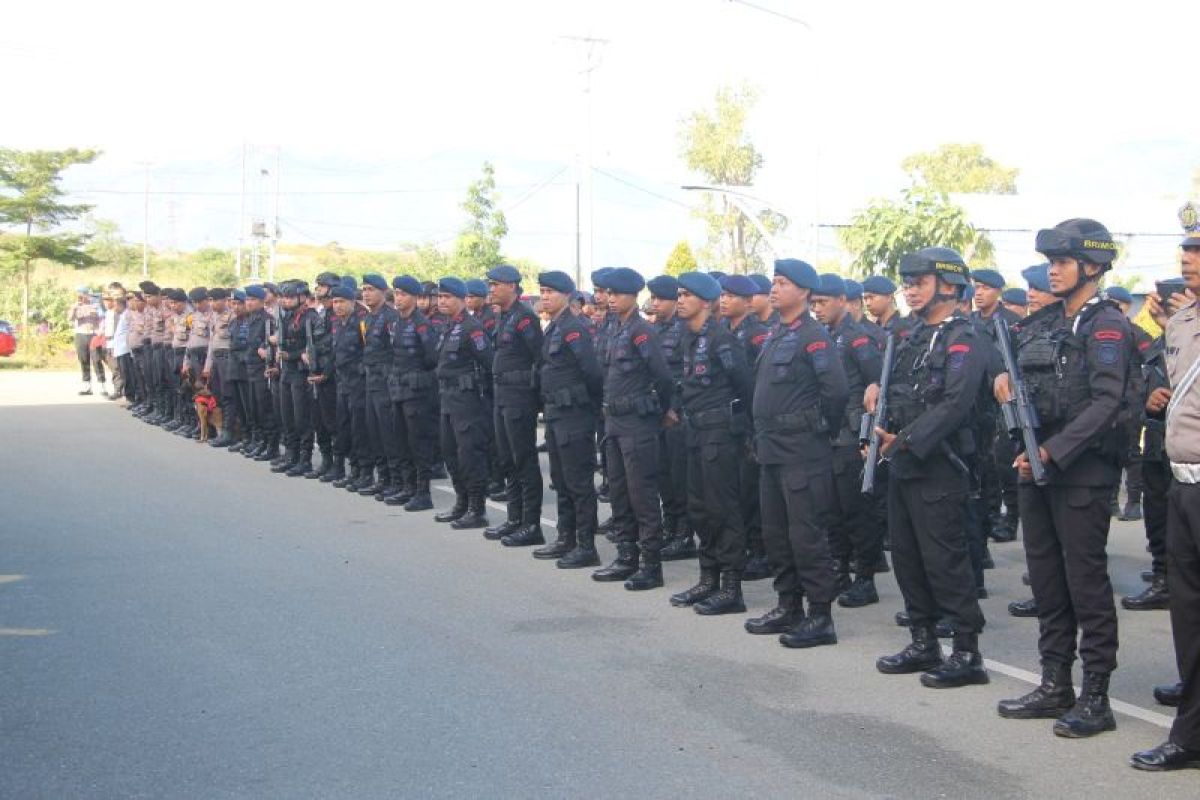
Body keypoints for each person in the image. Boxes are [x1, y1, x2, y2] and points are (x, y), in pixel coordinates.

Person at [995, 219, 1131, 738]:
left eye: (1062, 262)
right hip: (1037, 464)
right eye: (1050, 262)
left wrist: (1052, 451)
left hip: (1081, 471)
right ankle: (1055, 682)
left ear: (1092, 266)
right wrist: (1002, 383)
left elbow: (1106, 402)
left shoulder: (1107, 326)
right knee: (1048, 581)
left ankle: (1096, 694)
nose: (1053, 271)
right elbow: (1018, 377)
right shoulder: (1043, 322)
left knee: (1085, 583)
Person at [868, 247, 989, 688]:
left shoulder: (964, 338)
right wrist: (876, 410)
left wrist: (904, 442)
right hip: (902, 463)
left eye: (920, 282)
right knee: (907, 556)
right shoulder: (910, 336)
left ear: (949, 286)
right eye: (908, 282)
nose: (910, 290)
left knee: (945, 560)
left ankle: (965, 652)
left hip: (940, 465)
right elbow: (897, 392)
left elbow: (954, 404)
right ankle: (923, 641)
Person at [744, 258, 848, 648]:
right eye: (773, 281)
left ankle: (820, 616)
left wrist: (819, 430)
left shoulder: (813, 335)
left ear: (803, 292)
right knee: (776, 533)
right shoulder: (776, 333)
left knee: (806, 534)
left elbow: (836, 392)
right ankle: (789, 605)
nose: (774, 288)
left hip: (802, 450)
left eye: (783, 283)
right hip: (771, 449)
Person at [1130, 215, 1200, 771]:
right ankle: (1192, 726)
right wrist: (1160, 396)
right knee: (1188, 611)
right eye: (1186, 250)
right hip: (1183, 482)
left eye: (1198, 251)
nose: (1188, 258)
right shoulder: (1182, 323)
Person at [668, 271, 753, 615]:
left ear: (706, 301)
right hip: (695, 433)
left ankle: (732, 587)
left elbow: (745, 387)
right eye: (679, 294)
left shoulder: (722, 339)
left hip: (720, 434)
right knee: (699, 508)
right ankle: (708, 578)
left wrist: (743, 432)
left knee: (723, 510)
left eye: (687, 295)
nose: (680, 300)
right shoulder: (689, 338)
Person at [591, 267, 674, 590]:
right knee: (619, 493)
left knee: (642, 496)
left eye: (616, 294)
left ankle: (650, 565)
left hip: (638, 424)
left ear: (632, 296)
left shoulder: (641, 331)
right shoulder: (615, 329)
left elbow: (663, 378)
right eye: (607, 294)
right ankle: (626, 556)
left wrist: (662, 411)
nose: (610, 299)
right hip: (614, 422)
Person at [810, 273, 885, 608]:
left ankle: (865, 579)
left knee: (857, 513)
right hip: (829, 436)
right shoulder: (825, 336)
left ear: (842, 300)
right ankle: (839, 572)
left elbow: (876, 385)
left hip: (853, 438)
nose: (817, 309)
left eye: (822, 302)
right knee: (832, 512)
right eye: (813, 303)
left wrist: (869, 436)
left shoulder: (857, 339)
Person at [534, 270, 604, 567]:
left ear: (566, 295)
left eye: (550, 291)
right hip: (556, 415)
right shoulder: (553, 327)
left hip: (574, 415)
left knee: (578, 482)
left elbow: (591, 372)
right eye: (542, 291)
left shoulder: (574, 328)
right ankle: (566, 538)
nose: (544, 296)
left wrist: (586, 406)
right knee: (561, 480)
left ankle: (586, 545)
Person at [482, 264, 545, 546]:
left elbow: (539, 359)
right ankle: (514, 518)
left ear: (512, 286)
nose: (491, 289)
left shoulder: (524, 319)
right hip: (502, 396)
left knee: (524, 461)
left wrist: (535, 397)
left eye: (496, 284)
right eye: (490, 284)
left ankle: (531, 524)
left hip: (520, 398)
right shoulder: (504, 317)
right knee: (507, 460)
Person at [719, 274, 772, 581]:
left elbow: (756, 385)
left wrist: (754, 429)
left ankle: (759, 551)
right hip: (728, 423)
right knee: (735, 491)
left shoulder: (757, 334)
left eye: (731, 295)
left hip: (749, 422)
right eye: (722, 294)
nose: (724, 300)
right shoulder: (724, 332)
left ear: (748, 302)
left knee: (751, 493)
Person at [432, 277, 494, 529]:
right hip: (448, 399)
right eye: (440, 297)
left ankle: (476, 509)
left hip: (468, 401)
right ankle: (461, 502)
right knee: (449, 452)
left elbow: (490, 363)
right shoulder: (448, 327)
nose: (442, 301)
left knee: (470, 455)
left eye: (447, 297)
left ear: (461, 299)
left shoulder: (472, 327)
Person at [647, 275, 692, 561]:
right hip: (658, 411)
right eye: (653, 298)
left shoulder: (685, 330)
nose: (654, 303)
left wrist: (674, 407)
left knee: (679, 477)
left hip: (678, 414)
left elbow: (685, 376)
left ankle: (684, 535)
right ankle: (670, 526)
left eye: (660, 298)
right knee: (662, 475)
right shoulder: (657, 329)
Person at [386, 275, 440, 511]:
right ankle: (407, 488)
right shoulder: (398, 322)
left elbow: (432, 358)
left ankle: (422, 492)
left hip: (418, 393)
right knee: (401, 441)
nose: (398, 298)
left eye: (403, 294)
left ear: (416, 297)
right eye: (396, 293)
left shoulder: (422, 324)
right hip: (399, 390)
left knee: (419, 443)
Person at [68, 287, 103, 395]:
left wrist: (94, 309)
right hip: (81, 333)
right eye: (80, 294)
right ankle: (87, 385)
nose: (82, 297)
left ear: (88, 295)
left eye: (84, 294)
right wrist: (75, 307)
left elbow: (102, 317)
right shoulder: (76, 306)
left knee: (96, 360)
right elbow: (70, 318)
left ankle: (102, 384)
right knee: (83, 360)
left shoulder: (96, 304)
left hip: (93, 333)